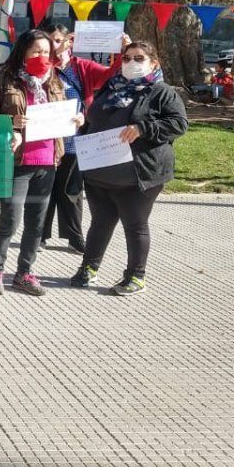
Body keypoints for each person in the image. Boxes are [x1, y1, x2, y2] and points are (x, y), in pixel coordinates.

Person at [71, 41, 188, 295]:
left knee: (135, 225)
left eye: (139, 58)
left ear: (153, 62)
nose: (131, 63)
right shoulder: (110, 88)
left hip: (138, 175)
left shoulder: (162, 92)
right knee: (100, 223)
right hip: (100, 172)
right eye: (126, 58)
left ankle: (136, 276)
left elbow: (179, 124)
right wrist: (82, 125)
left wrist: (143, 129)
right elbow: (93, 119)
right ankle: (88, 268)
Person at [0, 29, 82, 297]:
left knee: (37, 224)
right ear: (23, 52)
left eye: (46, 52)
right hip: (15, 162)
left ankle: (24, 272)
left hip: (48, 161)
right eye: (36, 51)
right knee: (10, 220)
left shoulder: (54, 81)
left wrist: (77, 118)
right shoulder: (2, 80)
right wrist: (9, 123)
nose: (42, 56)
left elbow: (68, 110)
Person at [41, 24, 128, 253]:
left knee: (72, 190)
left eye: (58, 40)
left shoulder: (81, 67)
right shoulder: (41, 65)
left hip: (74, 139)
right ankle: (39, 234)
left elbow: (110, 75)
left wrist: (122, 51)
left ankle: (74, 236)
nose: (53, 45)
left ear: (69, 42)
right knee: (45, 189)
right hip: (46, 140)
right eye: (49, 41)